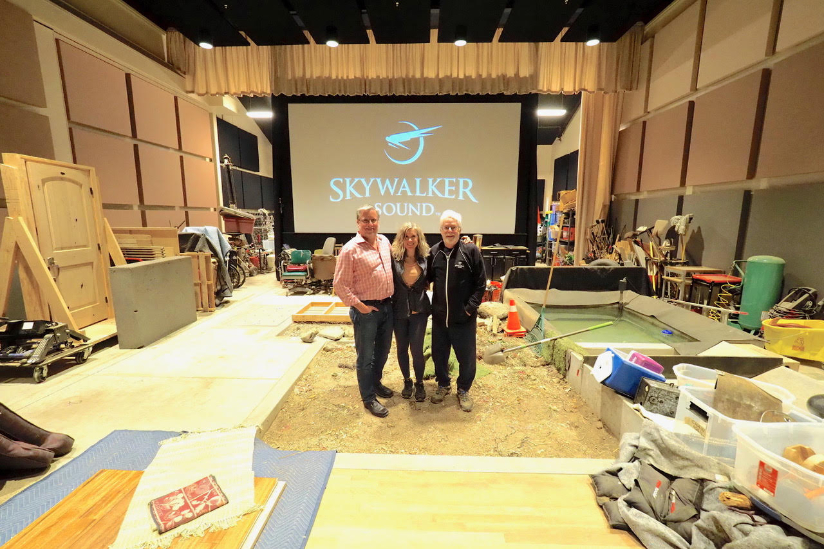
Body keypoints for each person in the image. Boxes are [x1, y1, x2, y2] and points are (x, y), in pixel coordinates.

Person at [333, 205, 395, 418]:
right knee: (365, 356)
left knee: (383, 351)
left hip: (387, 307)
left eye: (374, 220)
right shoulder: (350, 249)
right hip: (366, 310)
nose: (370, 224)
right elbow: (339, 285)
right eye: (365, 220)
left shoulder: (385, 242)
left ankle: (376, 383)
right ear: (358, 223)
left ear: (379, 221)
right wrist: (361, 307)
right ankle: (368, 398)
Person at [427, 210, 486, 412]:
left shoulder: (470, 251)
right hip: (440, 318)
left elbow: (481, 284)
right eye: (446, 227)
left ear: (460, 230)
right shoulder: (434, 253)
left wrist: (470, 309)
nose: (450, 230)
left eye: (453, 227)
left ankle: (463, 389)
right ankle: (443, 384)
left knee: (466, 357)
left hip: (463, 318)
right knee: (439, 355)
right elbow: (425, 280)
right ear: (440, 230)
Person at [390, 222, 431, 403]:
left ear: (418, 238)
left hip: (419, 311)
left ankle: (419, 382)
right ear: (402, 239)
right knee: (401, 349)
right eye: (406, 236)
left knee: (416, 349)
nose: (410, 240)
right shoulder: (394, 260)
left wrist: (466, 241)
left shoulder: (426, 259)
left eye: (413, 236)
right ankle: (407, 381)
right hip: (398, 311)